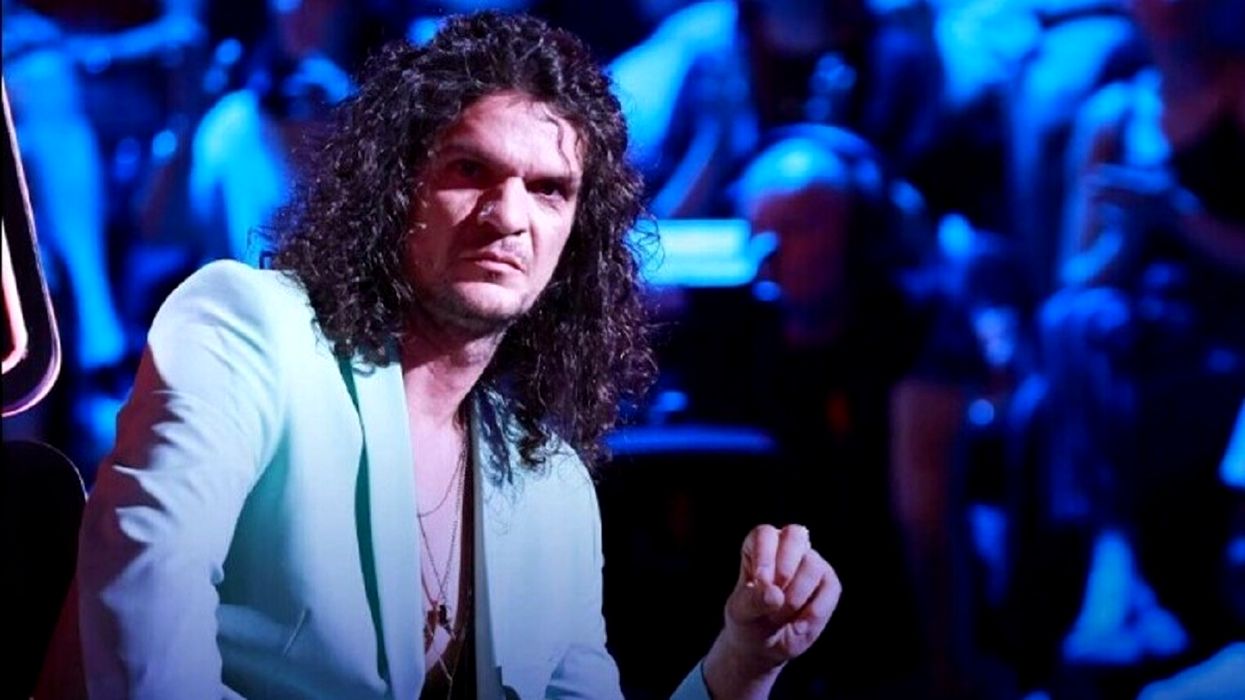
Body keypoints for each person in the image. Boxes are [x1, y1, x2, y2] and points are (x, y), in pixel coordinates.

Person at [76, 12, 841, 699]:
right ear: (393, 188)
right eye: (469, 170)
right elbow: (139, 647)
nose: (508, 215)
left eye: (549, 189)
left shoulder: (550, 481)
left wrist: (740, 665)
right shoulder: (249, 329)